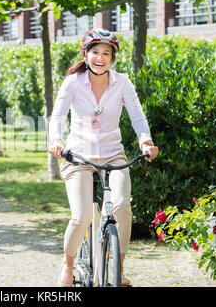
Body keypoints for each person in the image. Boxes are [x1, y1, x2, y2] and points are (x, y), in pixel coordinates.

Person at [48, 29, 159, 287]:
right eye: (95, 52)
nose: (100, 57)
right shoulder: (73, 82)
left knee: (122, 206)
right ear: (86, 54)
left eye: (106, 53)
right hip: (78, 157)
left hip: (113, 155)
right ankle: (67, 263)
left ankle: (118, 268)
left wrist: (146, 140)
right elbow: (58, 116)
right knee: (82, 216)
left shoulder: (122, 83)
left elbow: (137, 116)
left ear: (112, 58)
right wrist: (56, 139)